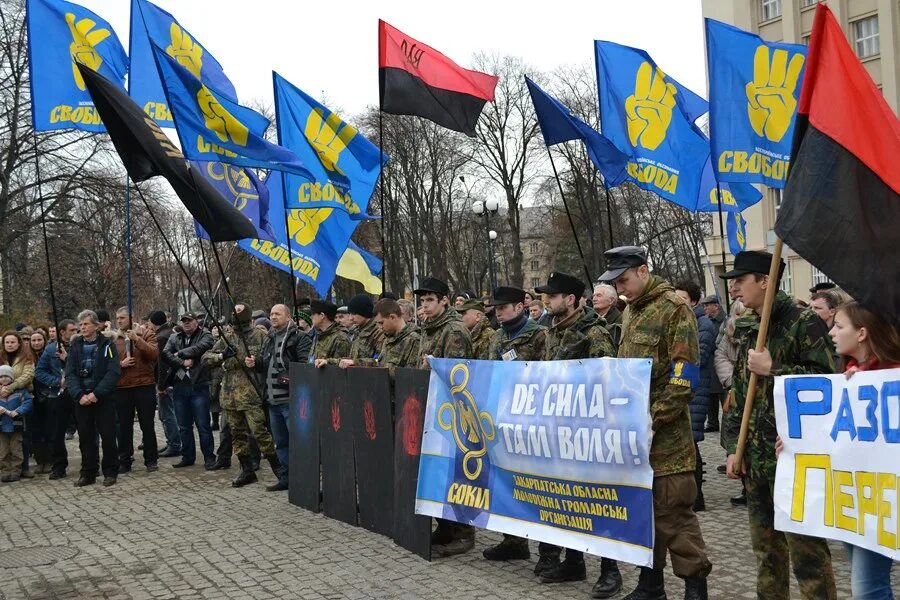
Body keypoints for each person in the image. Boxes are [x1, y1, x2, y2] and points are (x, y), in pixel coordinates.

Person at [722, 250, 837, 600]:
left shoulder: (803, 322)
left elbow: (827, 385)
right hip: (755, 459)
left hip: (792, 459)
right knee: (766, 552)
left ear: (766, 281)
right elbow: (740, 392)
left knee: (807, 555)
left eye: (741, 282)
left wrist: (774, 368)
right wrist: (732, 448)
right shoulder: (750, 324)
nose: (735, 290)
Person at [601, 246, 711, 600]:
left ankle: (695, 589)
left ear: (644, 270)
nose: (621, 288)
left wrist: (651, 419)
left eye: (625, 280)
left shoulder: (674, 309)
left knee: (674, 516)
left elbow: (685, 379)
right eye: (616, 283)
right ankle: (651, 586)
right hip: (636, 439)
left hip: (667, 440)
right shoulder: (631, 310)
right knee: (643, 515)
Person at [824, 301, 899, 600]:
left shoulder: (891, 378)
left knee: (868, 588)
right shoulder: (847, 378)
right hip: (856, 498)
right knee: (866, 583)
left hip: (882, 501)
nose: (831, 332)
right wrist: (794, 446)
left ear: (862, 333)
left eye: (839, 326)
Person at [414, 277, 474, 557]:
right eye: (422, 301)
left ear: (444, 301)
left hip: (450, 414)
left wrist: (433, 368)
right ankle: (446, 526)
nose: (424, 306)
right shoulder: (428, 328)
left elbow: (458, 376)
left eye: (429, 300)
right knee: (436, 473)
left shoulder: (454, 330)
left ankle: (463, 533)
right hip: (428, 410)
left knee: (454, 473)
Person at [203, 304, 282, 488]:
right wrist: (222, 356)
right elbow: (206, 358)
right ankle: (246, 470)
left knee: (260, 432)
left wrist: (257, 362)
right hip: (230, 395)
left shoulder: (260, 336)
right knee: (236, 434)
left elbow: (271, 360)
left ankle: (279, 469)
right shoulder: (228, 337)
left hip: (251, 394)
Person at [246, 303, 312, 491]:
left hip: (291, 400)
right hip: (272, 400)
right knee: (281, 443)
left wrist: (290, 376)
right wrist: (255, 363)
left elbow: (304, 365)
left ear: (288, 316)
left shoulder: (300, 337)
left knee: (299, 441)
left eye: (278, 314)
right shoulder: (270, 338)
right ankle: (286, 478)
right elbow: (267, 364)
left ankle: (305, 479)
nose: (273, 317)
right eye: (271, 314)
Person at [64, 310, 121, 487]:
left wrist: (96, 394)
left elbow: (113, 372)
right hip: (82, 400)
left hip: (102, 399)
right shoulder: (75, 346)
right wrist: (79, 395)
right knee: (86, 439)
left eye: (86, 324)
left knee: (109, 437)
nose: (82, 327)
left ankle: (110, 472)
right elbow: (70, 373)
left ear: (96, 326)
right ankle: (88, 472)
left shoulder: (107, 346)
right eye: (80, 325)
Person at [675, 282, 718, 513]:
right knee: (688, 442)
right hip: (687, 387)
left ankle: (697, 497)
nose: (677, 301)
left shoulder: (702, 324)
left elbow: (695, 355)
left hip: (696, 389)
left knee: (691, 442)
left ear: (693, 301)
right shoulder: (682, 319)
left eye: (682, 297)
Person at [162, 313, 216, 470]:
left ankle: (209, 457)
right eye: (184, 321)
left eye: (189, 321)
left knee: (203, 425)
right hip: (179, 386)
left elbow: (202, 347)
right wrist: (182, 362)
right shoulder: (174, 337)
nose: (186, 323)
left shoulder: (204, 334)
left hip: (199, 385)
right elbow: (165, 353)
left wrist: (181, 352)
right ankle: (187, 456)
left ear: (196, 322)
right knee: (184, 426)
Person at [111, 308, 159, 473]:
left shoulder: (146, 333)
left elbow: (153, 354)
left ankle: (151, 459)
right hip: (122, 386)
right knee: (124, 427)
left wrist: (136, 339)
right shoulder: (113, 338)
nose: (119, 321)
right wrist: (120, 364)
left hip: (144, 385)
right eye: (117, 318)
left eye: (122, 318)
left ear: (131, 318)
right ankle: (125, 459)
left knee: (147, 425)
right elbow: (107, 363)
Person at [35, 319, 76, 479]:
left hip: (78, 393)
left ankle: (90, 464)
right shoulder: (51, 349)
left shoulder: (80, 346)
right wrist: (57, 381)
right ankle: (59, 466)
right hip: (57, 394)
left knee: (87, 432)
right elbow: (39, 371)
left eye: (76, 329)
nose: (75, 332)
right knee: (56, 433)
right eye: (72, 330)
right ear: (62, 332)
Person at [341, 299, 420, 371]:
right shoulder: (389, 338)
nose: (379, 327)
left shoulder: (414, 339)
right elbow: (378, 362)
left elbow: (410, 374)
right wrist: (355, 362)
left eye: (381, 323)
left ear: (392, 317)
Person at [0, 330, 36, 479]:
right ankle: (6, 469)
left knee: (22, 437)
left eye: (12, 342)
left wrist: (10, 387)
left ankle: (23, 467)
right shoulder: (1, 356)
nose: (10, 345)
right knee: (4, 442)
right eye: (7, 342)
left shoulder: (26, 357)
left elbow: (28, 375)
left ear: (18, 343)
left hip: (20, 397)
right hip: (2, 399)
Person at [148, 311, 180, 458]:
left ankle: (174, 444)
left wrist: (161, 385)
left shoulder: (161, 337)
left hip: (166, 382)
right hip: (172, 379)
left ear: (153, 322)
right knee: (167, 413)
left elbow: (162, 364)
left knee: (167, 414)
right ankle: (171, 442)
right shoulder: (169, 332)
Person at [0, 365, 32, 482]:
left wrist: (18, 411)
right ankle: (5, 471)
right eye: (1, 376)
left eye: (6, 376)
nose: (4, 379)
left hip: (16, 426)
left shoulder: (20, 392)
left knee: (16, 450)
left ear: (12, 378)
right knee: (3, 452)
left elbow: (28, 403)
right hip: (1, 428)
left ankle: (16, 471)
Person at [28, 330, 52, 474]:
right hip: (33, 397)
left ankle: (50, 460)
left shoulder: (50, 355)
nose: (36, 343)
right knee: (36, 431)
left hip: (49, 395)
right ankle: (40, 461)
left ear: (44, 340)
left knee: (49, 429)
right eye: (34, 340)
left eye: (39, 340)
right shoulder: (27, 357)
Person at [700, 296, 725, 433]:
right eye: (704, 306)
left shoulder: (724, 321)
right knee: (710, 395)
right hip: (710, 364)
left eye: (707, 305)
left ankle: (726, 423)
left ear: (716, 306)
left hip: (720, 362)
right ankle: (712, 422)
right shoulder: (707, 321)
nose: (705, 308)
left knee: (723, 394)